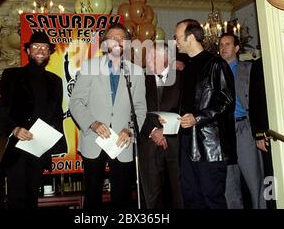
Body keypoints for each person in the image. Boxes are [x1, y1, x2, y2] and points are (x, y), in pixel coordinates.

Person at [69, 23, 146, 209]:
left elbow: (140, 108)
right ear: (104, 44)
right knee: (93, 196)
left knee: (122, 196)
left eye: (122, 38)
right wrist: (92, 123)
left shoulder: (136, 71)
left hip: (122, 141)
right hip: (94, 140)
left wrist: (129, 130)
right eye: (113, 37)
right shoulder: (89, 66)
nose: (118, 41)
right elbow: (76, 102)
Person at [0, 31, 67, 209]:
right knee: (15, 200)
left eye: (45, 47)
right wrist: (14, 129)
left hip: (38, 149)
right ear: (28, 50)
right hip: (16, 150)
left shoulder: (56, 81)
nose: (40, 50)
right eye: (35, 47)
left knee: (32, 200)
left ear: (50, 52)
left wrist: (51, 136)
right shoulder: (11, 75)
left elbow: (57, 114)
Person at [174, 19, 236, 209]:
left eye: (177, 37)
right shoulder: (187, 67)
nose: (175, 42)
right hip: (187, 142)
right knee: (191, 198)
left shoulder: (216, 64)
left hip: (209, 145)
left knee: (212, 199)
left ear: (191, 37)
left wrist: (197, 118)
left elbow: (226, 102)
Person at [218, 33, 266, 209]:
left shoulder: (249, 68)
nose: (223, 48)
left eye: (228, 44)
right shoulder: (216, 71)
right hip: (224, 131)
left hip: (244, 127)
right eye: (221, 44)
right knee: (229, 185)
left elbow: (259, 99)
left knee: (255, 180)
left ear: (237, 48)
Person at [139, 42, 184, 209]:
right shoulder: (141, 81)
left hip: (176, 144)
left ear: (166, 57)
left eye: (152, 56)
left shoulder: (182, 78)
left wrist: (165, 130)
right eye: (147, 56)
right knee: (151, 198)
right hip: (149, 144)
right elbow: (136, 109)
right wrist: (153, 131)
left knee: (179, 195)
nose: (148, 60)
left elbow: (186, 108)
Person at [249, 57, 276, 209]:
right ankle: (271, 205)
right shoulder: (259, 64)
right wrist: (258, 133)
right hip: (267, 132)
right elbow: (254, 101)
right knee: (269, 174)